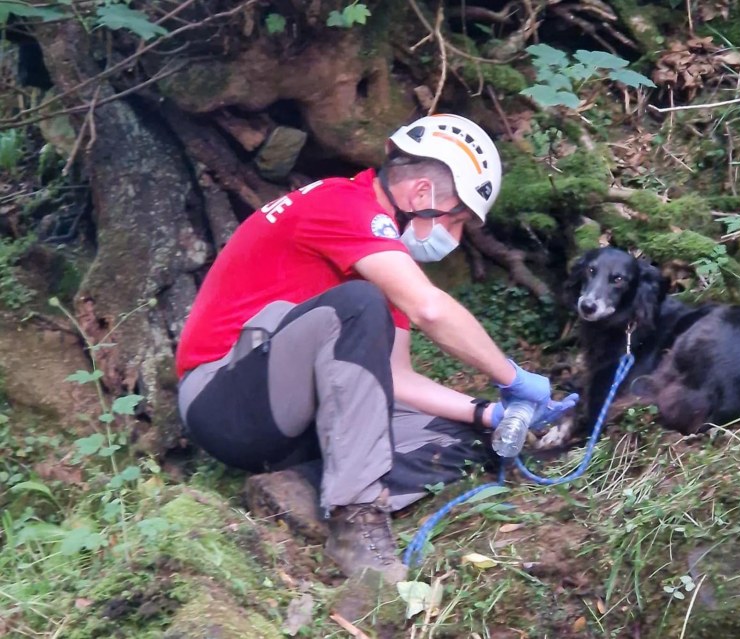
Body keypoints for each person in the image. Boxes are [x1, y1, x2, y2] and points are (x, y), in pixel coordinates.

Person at [175, 114, 578, 583]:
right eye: (459, 218)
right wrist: (512, 378)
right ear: (423, 193)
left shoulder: (381, 260)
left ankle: (298, 488)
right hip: (223, 400)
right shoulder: (341, 203)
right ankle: (356, 519)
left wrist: (490, 413)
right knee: (359, 303)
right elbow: (430, 309)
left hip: (291, 418)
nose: (458, 235)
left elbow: (398, 379)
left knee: (472, 438)